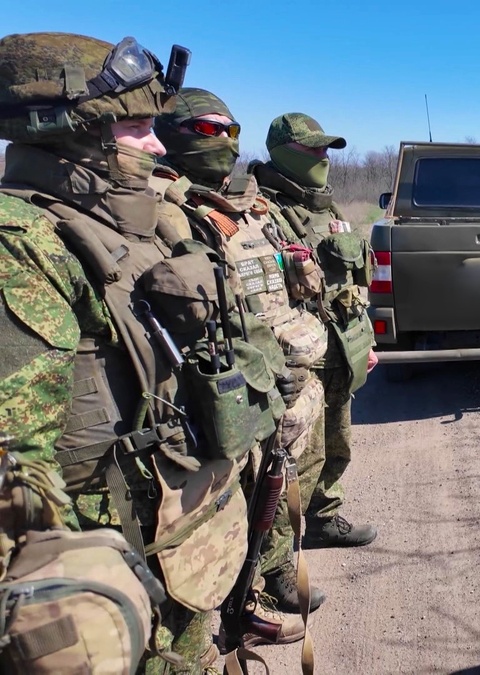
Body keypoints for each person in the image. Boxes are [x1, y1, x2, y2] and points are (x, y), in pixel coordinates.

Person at [0, 32, 278, 673]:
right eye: (137, 127)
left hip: (175, 524)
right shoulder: (24, 247)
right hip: (110, 563)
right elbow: (15, 472)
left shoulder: (145, 222)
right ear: (69, 130)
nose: (158, 145)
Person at [152, 87, 330, 631]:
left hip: (287, 371)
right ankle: (239, 598)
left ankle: (271, 569)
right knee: (239, 493)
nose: (226, 142)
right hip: (234, 383)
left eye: (231, 130)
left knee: (286, 475)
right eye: (210, 130)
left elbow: (285, 283)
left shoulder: (252, 207)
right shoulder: (165, 211)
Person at [250, 113, 378, 548]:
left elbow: (351, 285)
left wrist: (366, 344)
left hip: (339, 352)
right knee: (292, 459)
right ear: (283, 152)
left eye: (326, 149)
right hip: (297, 363)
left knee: (335, 445)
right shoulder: (261, 213)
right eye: (312, 149)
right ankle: (278, 555)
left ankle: (323, 515)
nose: (323, 157)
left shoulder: (327, 209)